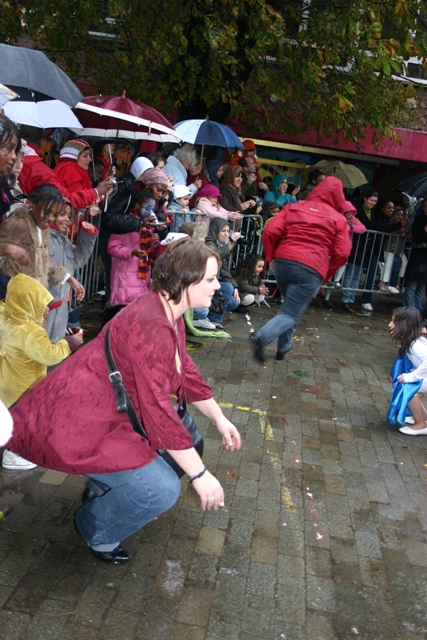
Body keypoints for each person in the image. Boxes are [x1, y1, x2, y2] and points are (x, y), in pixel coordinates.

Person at [8, 239, 241, 563]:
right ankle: (96, 531)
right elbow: (159, 412)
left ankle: (105, 490)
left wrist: (219, 417)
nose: (218, 286)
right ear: (184, 281)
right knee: (161, 491)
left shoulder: (166, 308)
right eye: (210, 279)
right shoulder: (152, 325)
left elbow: (181, 365)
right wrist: (200, 476)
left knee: (188, 444)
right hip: (87, 420)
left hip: (107, 410)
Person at [250, 177, 351, 363]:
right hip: (312, 267)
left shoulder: (295, 207)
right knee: (290, 312)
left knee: (289, 306)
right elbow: (343, 253)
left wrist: (270, 258)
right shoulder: (338, 219)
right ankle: (262, 336)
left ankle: (283, 348)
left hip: (283, 260)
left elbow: (270, 231)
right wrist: (327, 273)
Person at [0, 274, 82, 470]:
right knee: (26, 419)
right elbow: (49, 355)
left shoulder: (6, 316)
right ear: (27, 303)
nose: (47, 310)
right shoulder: (30, 331)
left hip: (7, 381)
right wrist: (67, 344)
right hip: (25, 386)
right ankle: (13, 455)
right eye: (41, 304)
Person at [0, 183, 85, 302]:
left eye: (54, 214)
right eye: (46, 212)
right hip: (13, 304)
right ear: (32, 205)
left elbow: (41, 262)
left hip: (34, 303)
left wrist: (69, 278)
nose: (50, 218)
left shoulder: (43, 229)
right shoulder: (15, 225)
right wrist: (7, 249)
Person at [18, 126, 114, 210]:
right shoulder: (65, 172)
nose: (89, 159)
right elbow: (66, 200)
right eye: (85, 156)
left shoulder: (21, 161)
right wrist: (97, 192)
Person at [46, 201, 98, 343]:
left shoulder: (65, 241)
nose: (67, 219)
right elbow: (42, 265)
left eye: (69, 216)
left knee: (53, 351)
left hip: (60, 309)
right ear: (50, 214)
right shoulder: (43, 238)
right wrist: (68, 278)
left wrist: (87, 236)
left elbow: (77, 261)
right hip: (44, 307)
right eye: (62, 214)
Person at [107, 190, 161, 312]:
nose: (150, 211)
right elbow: (112, 247)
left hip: (142, 277)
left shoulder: (149, 224)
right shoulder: (125, 223)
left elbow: (151, 251)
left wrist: (155, 243)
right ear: (136, 206)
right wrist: (132, 252)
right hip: (125, 276)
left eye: (152, 208)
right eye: (147, 207)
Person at [389, 306, 427, 436]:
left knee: (407, 386)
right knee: (409, 386)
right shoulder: (414, 340)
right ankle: (423, 417)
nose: (390, 324)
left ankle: (421, 423)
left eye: (393, 321)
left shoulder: (416, 344)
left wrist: (412, 377)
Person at [341, 189, 379, 312]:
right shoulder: (355, 211)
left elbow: (363, 228)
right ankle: (346, 298)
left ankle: (351, 298)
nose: (373, 203)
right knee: (350, 273)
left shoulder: (374, 213)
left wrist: (355, 226)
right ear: (365, 199)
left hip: (365, 247)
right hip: (355, 245)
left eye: (375, 201)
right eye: (371, 200)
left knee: (357, 275)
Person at [204, 217, 241, 326]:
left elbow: (224, 270)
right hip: (205, 281)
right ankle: (214, 319)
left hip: (214, 281)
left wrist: (235, 286)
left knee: (234, 302)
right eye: (223, 231)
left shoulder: (221, 245)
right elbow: (213, 255)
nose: (226, 234)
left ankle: (211, 314)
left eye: (228, 231)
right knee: (227, 289)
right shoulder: (208, 241)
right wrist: (230, 244)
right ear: (215, 231)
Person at [377, 204, 409, 294]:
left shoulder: (404, 226)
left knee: (405, 262)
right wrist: (400, 230)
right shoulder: (392, 224)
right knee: (388, 265)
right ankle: (383, 282)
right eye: (398, 214)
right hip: (389, 249)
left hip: (399, 250)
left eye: (402, 215)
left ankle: (398, 280)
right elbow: (391, 230)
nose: (400, 217)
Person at [403, 198, 427, 312]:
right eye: (425, 206)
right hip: (418, 255)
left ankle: (417, 314)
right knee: (412, 286)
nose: (426, 209)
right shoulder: (419, 218)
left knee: (421, 288)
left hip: (425, 259)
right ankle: (409, 312)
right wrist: (425, 231)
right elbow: (416, 237)